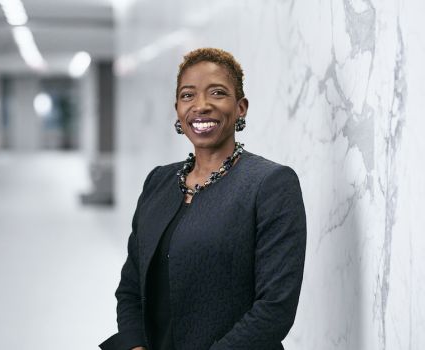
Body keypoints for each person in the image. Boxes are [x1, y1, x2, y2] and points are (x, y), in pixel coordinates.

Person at [100, 48, 306, 350]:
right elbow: (131, 285)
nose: (201, 106)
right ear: (177, 110)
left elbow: (275, 308)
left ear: (241, 108)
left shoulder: (270, 184)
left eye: (218, 93)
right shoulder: (158, 182)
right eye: (188, 95)